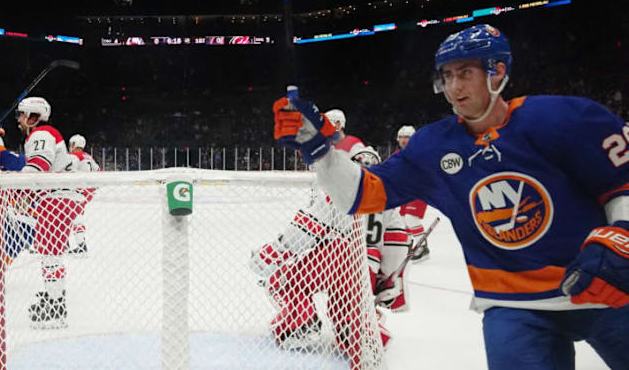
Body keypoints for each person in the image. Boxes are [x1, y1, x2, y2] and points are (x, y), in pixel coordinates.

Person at [273, 24, 629, 369]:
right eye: (446, 76)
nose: (453, 86)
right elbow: (363, 194)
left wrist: (623, 234)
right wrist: (318, 150)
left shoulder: (563, 118)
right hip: (513, 305)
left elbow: (621, 181)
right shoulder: (433, 146)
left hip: (606, 283)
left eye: (464, 72)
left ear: (497, 71)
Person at [249, 146, 410, 367]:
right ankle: (362, 333)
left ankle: (300, 322)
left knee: (281, 280)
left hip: (335, 257)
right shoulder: (388, 200)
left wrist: (270, 254)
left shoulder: (339, 192)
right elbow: (397, 245)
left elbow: (303, 231)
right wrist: (385, 278)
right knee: (348, 309)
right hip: (366, 268)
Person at [0, 97, 82, 329]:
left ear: (33, 116)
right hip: (55, 200)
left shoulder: (42, 134)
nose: (19, 120)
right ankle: (53, 299)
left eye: (22, 115)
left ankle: (56, 307)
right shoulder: (39, 138)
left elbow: (35, 170)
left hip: (55, 200)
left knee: (50, 255)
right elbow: (14, 163)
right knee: (49, 254)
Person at [394, 125, 432, 263]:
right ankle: (408, 246)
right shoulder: (398, 155)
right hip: (406, 193)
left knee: (411, 219)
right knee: (403, 220)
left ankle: (422, 247)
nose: (404, 140)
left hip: (419, 191)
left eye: (407, 137)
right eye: (401, 137)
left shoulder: (420, 153)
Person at [67, 134, 100, 255]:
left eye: (71, 144)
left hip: (78, 190)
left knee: (73, 217)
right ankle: (69, 243)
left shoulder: (74, 156)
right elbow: (99, 171)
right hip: (88, 190)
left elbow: (67, 170)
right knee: (71, 215)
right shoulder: (88, 157)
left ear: (75, 144)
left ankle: (81, 246)